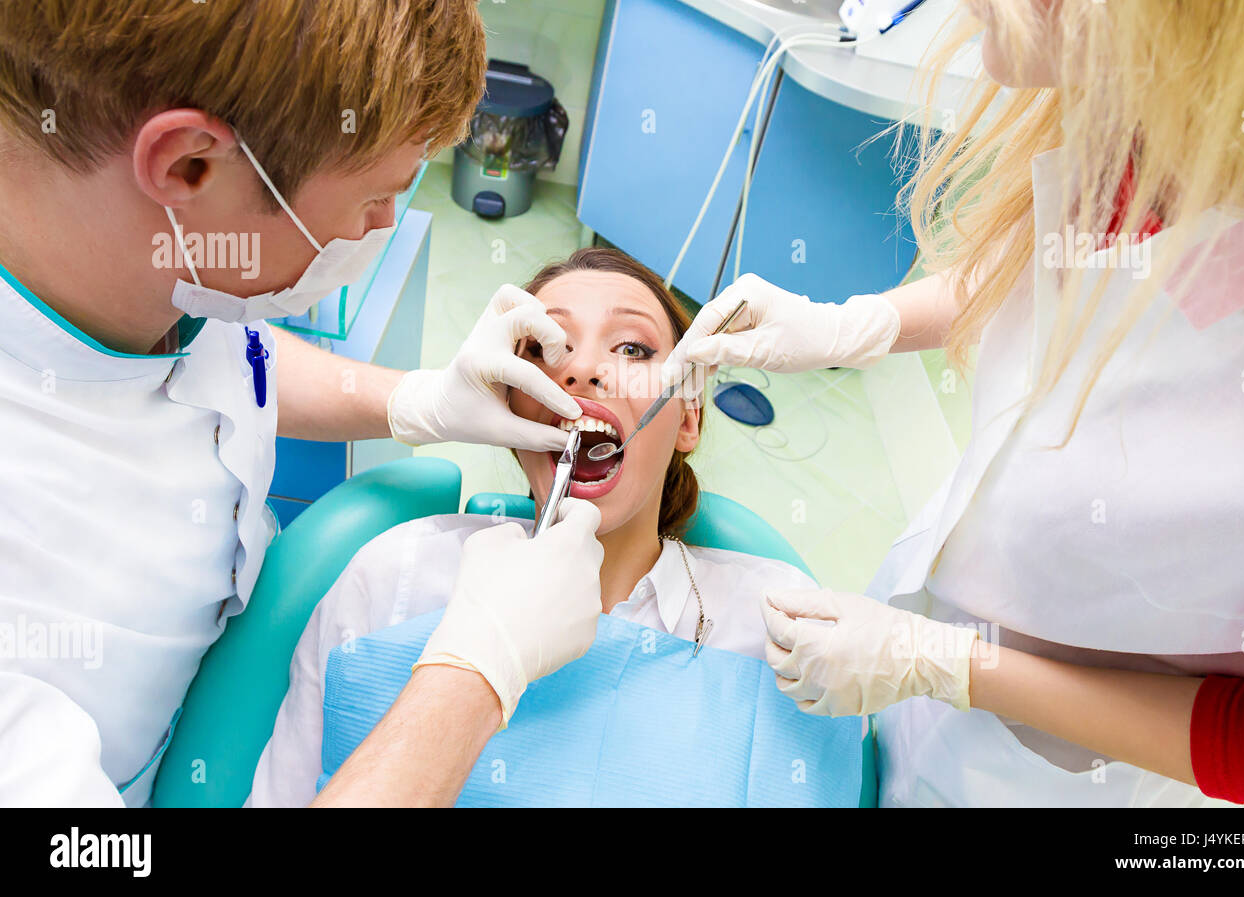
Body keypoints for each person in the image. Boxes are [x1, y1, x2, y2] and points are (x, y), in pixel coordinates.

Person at [665, 0, 1244, 806]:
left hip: (1059, 778)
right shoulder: (1161, 129)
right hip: (938, 636)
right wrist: (858, 323)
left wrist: (945, 665)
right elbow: (1069, 281)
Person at [0, 0, 603, 807]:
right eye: (375, 197)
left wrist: (412, 401)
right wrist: (474, 676)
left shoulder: (136, 260)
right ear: (189, 166)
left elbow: (222, 362)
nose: (385, 225)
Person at [248, 249, 863, 808]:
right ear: (504, 403)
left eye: (632, 348)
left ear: (687, 419)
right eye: (548, 347)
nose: (583, 370)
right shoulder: (394, 576)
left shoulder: (776, 629)